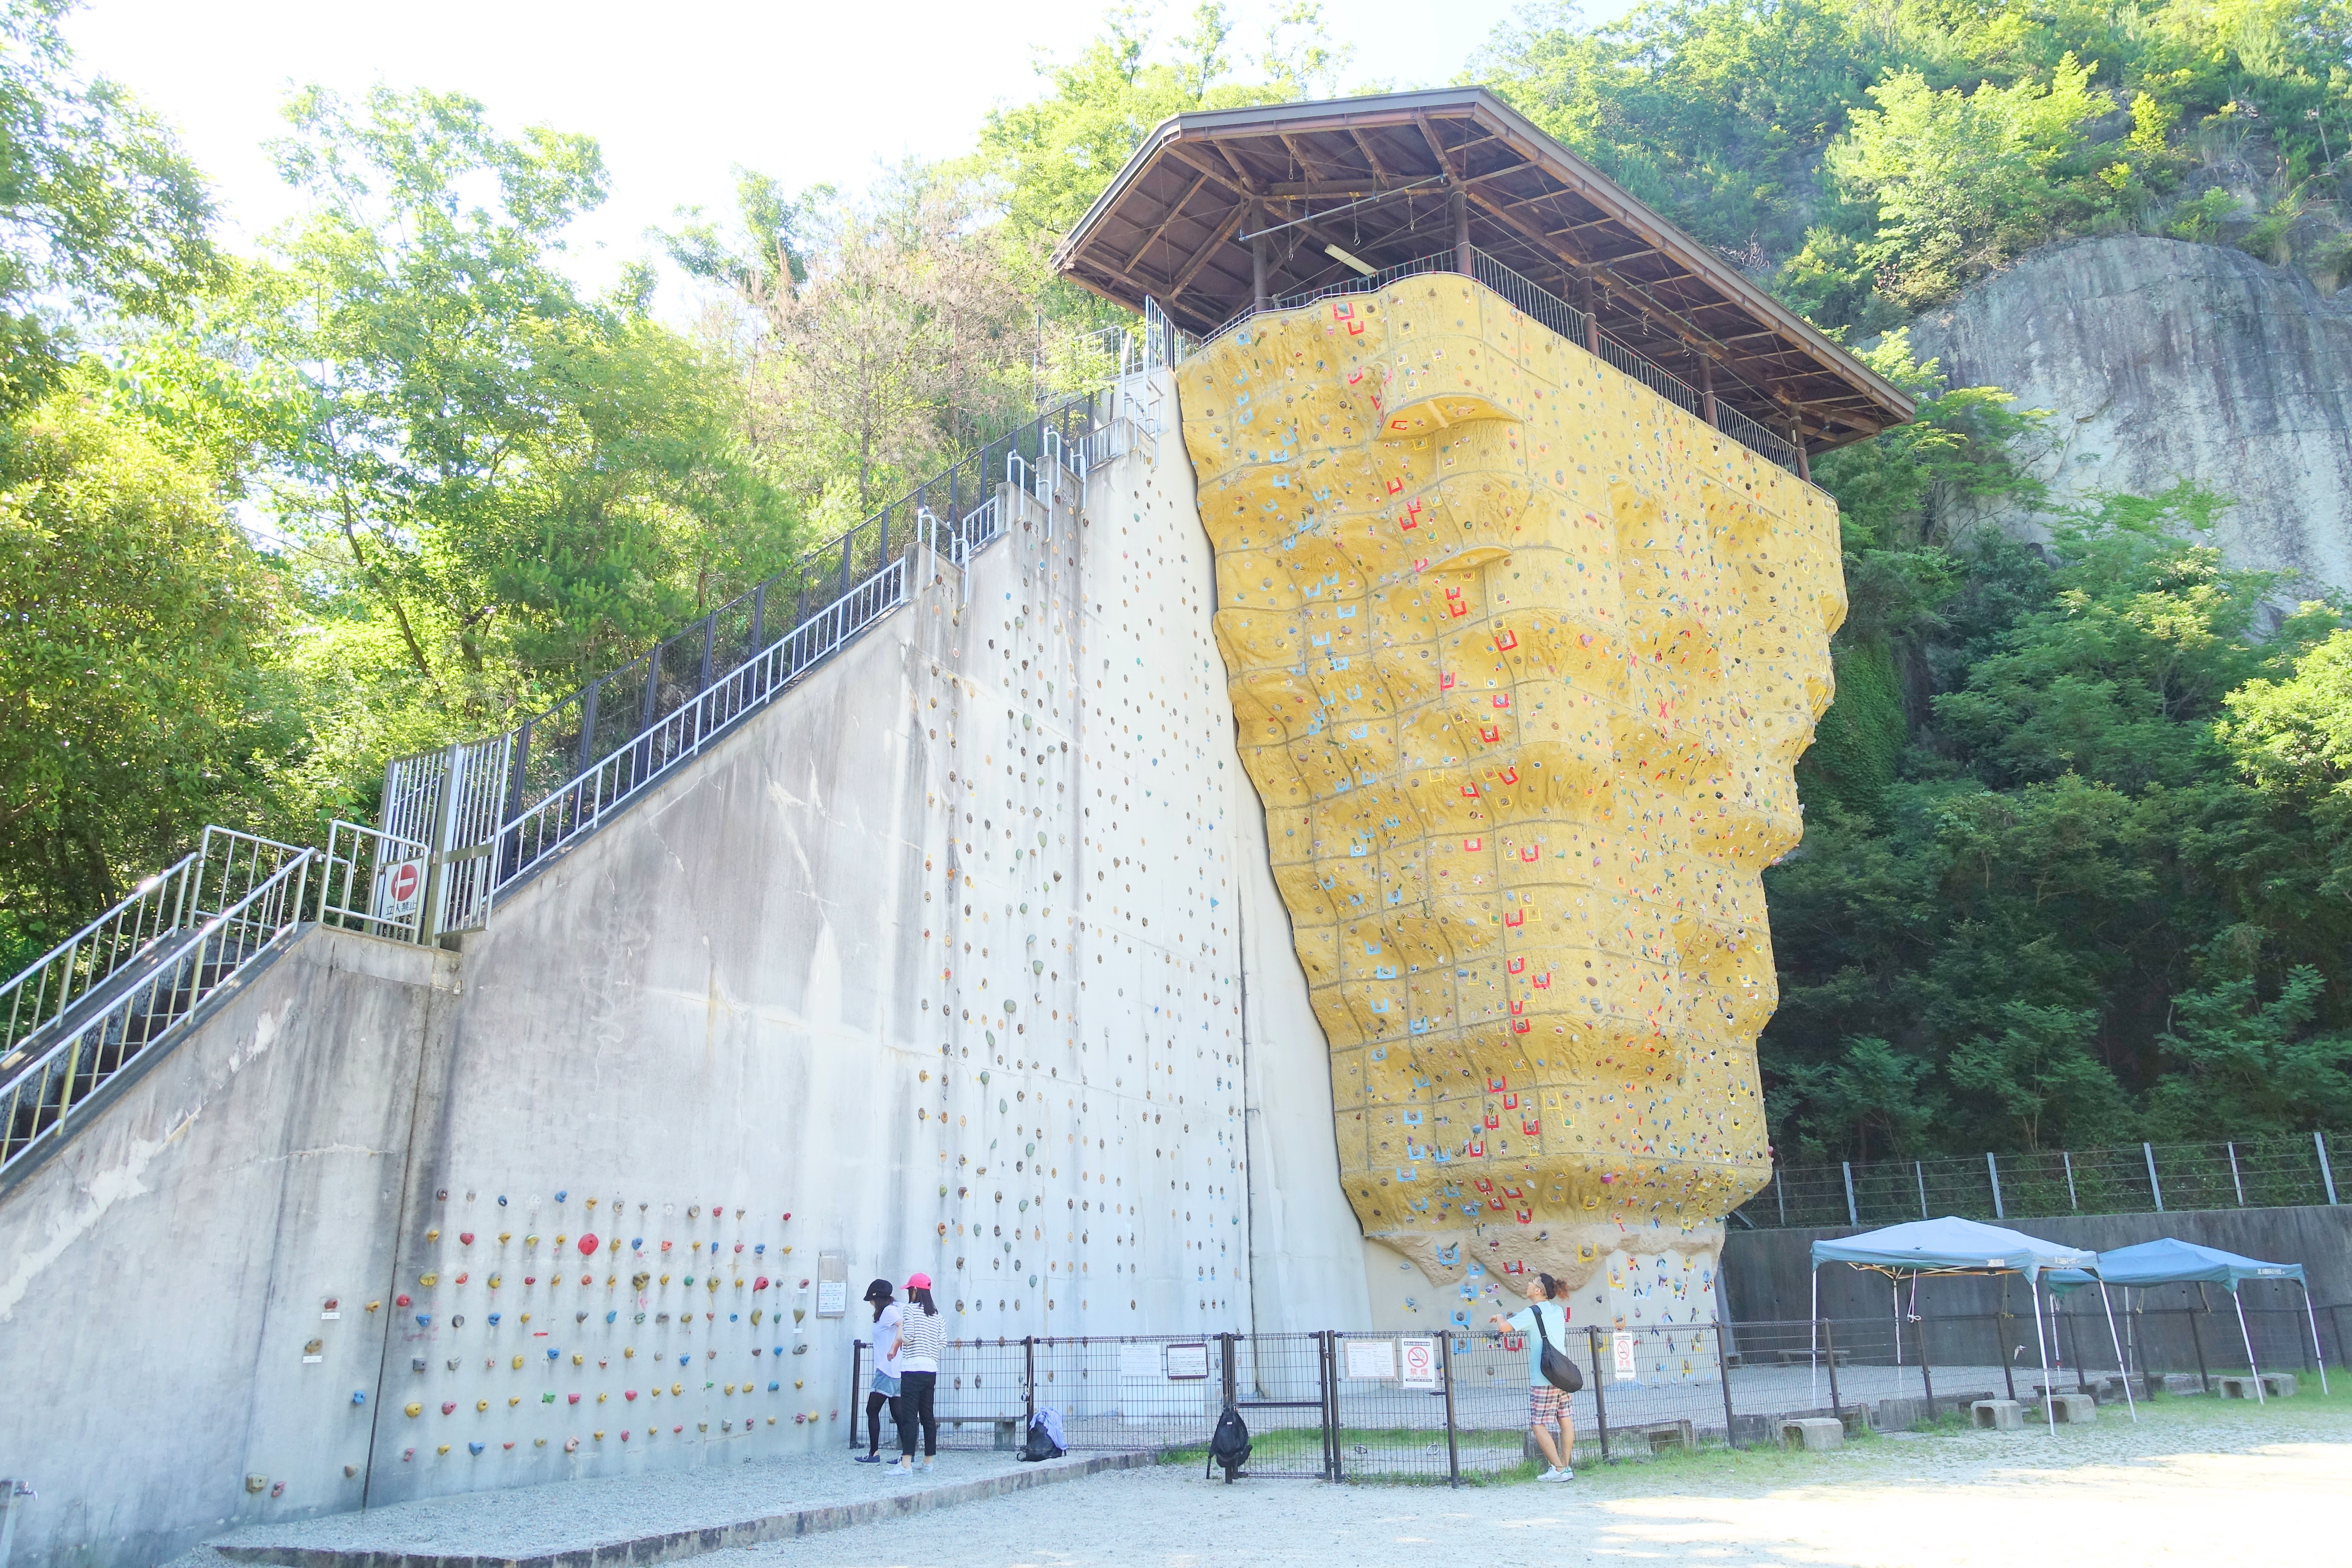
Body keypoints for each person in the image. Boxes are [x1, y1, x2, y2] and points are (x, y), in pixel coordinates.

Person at [1490, 1271, 1576, 1482]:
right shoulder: (1557, 1310)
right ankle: (1566, 1466)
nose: (1528, 1285)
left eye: (1531, 1282)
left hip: (1543, 1375)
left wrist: (1500, 1316)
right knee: (1565, 1419)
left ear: (1538, 1290)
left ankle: (1557, 1469)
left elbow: (1505, 1328)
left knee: (1538, 1423)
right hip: (1562, 1373)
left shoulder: (1532, 1312)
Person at [891, 1271, 944, 1473]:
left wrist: (900, 1338)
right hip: (931, 1370)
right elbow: (943, 1342)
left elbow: (910, 1336)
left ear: (914, 1290)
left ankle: (906, 1465)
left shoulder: (910, 1311)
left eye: (909, 1290)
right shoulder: (938, 1315)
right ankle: (928, 1462)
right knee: (928, 1416)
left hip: (912, 1369)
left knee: (909, 1417)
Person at [856, 1279, 902, 1463]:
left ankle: (874, 1453)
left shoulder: (890, 1311)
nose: (871, 1303)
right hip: (897, 1370)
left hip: (886, 1370)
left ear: (878, 1299)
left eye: (872, 1299)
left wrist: (894, 1346)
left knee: (871, 1409)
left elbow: (903, 1325)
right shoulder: (896, 1306)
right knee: (898, 1413)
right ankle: (908, 1455)